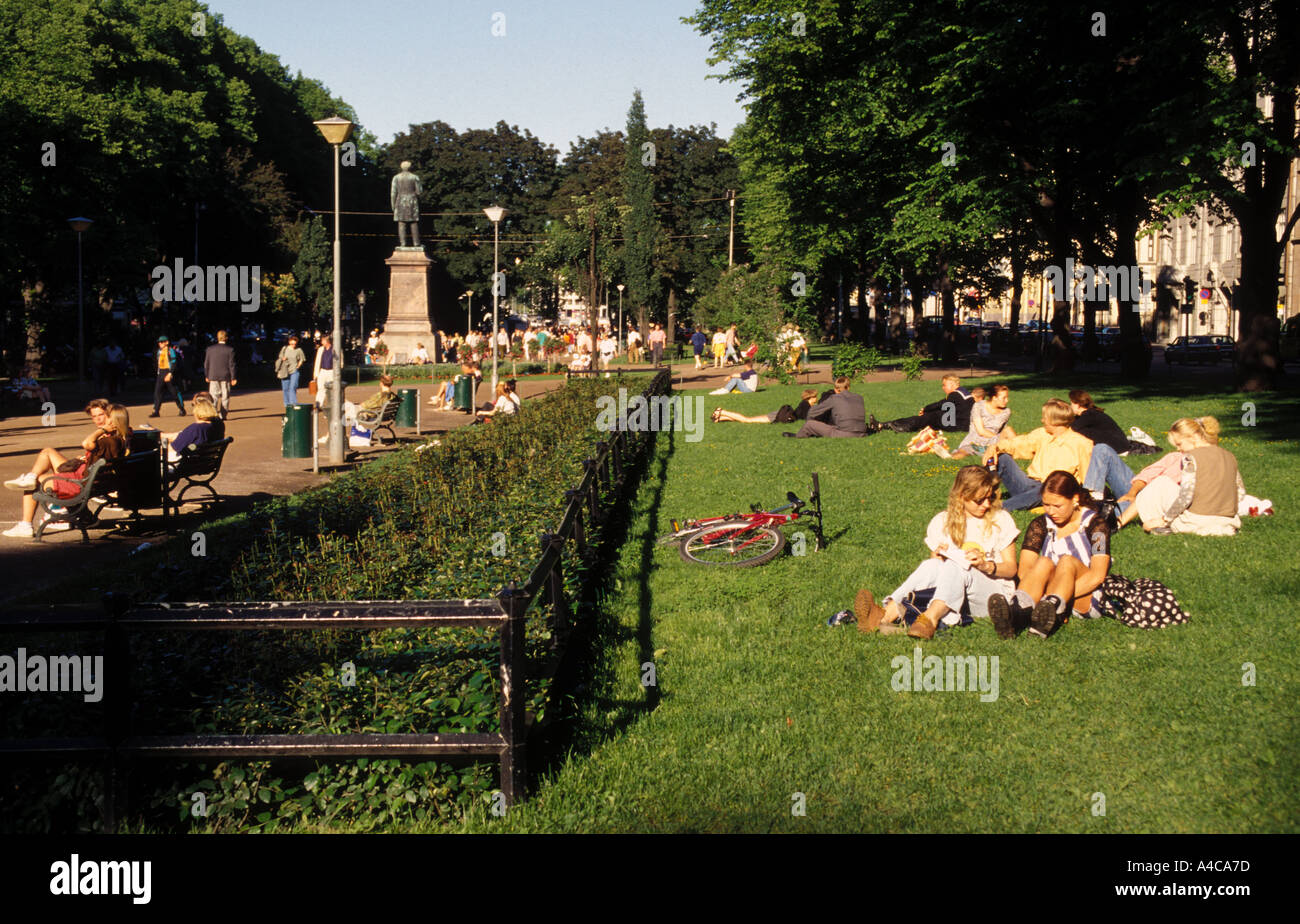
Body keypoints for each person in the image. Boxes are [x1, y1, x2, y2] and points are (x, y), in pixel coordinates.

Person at [851, 466, 1019, 639]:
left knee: (960, 567)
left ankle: (929, 619)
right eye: (979, 500)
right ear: (962, 497)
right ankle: (885, 615)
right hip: (955, 594)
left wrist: (985, 565)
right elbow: (935, 574)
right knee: (932, 565)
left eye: (989, 497)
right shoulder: (942, 522)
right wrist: (938, 557)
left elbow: (1011, 568)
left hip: (993, 598)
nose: (986, 504)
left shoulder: (1000, 519)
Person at [986, 470, 1112, 639]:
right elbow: (1025, 570)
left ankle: (1050, 609)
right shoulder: (1040, 524)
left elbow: (1097, 576)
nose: (1051, 511)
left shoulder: (1097, 525)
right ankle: (1015, 614)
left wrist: (1057, 596)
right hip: (1048, 595)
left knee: (1067, 561)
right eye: (1046, 505)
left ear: (1075, 499)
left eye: (1057, 506)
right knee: (1043, 562)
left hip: (1085, 593)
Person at [4, 401, 130, 538]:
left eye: (103, 415)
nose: (99, 419)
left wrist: (103, 430)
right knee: (48, 452)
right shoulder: (124, 436)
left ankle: (26, 525)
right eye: (95, 416)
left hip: (82, 483)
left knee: (36, 482)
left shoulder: (109, 440)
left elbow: (87, 443)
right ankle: (83, 515)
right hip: (90, 477)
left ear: (113, 419)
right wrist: (87, 459)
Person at [1120, 416, 1244, 536]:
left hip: (1195, 523)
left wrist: (1165, 519)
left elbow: (1186, 496)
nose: (1179, 449)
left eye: (1179, 444)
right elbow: (1240, 492)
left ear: (1194, 437)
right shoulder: (1230, 456)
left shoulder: (1190, 458)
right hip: (1228, 523)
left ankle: (1127, 523)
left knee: (1160, 482)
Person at [982, 398, 1093, 511]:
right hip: (1030, 484)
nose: (1042, 420)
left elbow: (1088, 477)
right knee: (1002, 458)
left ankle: (996, 509)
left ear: (1053, 421)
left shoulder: (1082, 443)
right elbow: (1019, 443)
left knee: (1049, 489)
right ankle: (982, 496)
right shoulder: (1042, 434)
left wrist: (1088, 499)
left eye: (1045, 417)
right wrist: (995, 447)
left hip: (1056, 490)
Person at [882, 374, 974, 433]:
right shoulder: (963, 393)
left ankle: (895, 425)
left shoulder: (955, 394)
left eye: (944, 385)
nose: (943, 388)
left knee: (932, 416)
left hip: (958, 426)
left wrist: (926, 408)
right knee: (931, 416)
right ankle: (893, 424)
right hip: (961, 424)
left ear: (952, 385)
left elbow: (942, 404)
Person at [788, 377, 869, 438]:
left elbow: (813, 411)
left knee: (809, 424)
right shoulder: (859, 397)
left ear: (836, 389)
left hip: (843, 433)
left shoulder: (834, 398)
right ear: (848, 387)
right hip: (862, 432)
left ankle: (799, 436)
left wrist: (810, 420)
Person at [952, 384, 1013, 458]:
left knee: (1009, 430)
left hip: (993, 442)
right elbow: (981, 432)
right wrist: (998, 438)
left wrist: (1001, 440)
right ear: (994, 398)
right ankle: (948, 456)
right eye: (1004, 398)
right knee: (959, 454)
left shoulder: (1006, 412)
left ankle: (1021, 450)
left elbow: (1002, 431)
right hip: (975, 441)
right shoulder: (978, 406)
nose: (1007, 400)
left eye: (1007, 397)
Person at [163, 393, 225, 460]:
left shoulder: (196, 429)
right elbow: (193, 445)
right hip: (205, 462)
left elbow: (172, 448)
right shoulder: (219, 424)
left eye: (194, 406)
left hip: (184, 463)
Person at [713, 389, 820, 424]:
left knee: (749, 420)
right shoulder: (806, 405)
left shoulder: (804, 404)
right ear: (811, 397)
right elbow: (807, 418)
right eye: (815, 397)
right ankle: (722, 411)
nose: (816, 399)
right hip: (780, 416)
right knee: (747, 420)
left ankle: (721, 418)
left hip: (780, 413)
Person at [203, 329, 237, 420]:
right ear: (226, 338)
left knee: (213, 396)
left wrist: (207, 375)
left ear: (217, 337)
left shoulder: (210, 349)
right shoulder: (230, 350)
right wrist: (233, 377)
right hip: (225, 376)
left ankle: (213, 415)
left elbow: (206, 363)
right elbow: (232, 365)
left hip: (213, 375)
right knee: (225, 397)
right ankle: (223, 415)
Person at [150, 334, 187, 418]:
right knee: (157, 392)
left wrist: (170, 373)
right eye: (159, 342)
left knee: (174, 392)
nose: (160, 343)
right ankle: (156, 411)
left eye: (162, 342)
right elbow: (157, 363)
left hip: (169, 372)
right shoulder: (159, 351)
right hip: (161, 373)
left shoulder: (171, 351)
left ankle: (181, 409)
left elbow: (174, 362)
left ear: (167, 342)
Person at [276, 334, 306, 409]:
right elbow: (280, 357)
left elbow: (302, 359)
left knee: (293, 387)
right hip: (285, 370)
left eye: (295, 344)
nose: (293, 345)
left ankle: (293, 403)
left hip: (294, 371)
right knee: (285, 389)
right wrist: (283, 358)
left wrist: (298, 366)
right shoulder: (284, 348)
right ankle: (287, 405)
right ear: (289, 342)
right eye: (292, 343)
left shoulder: (299, 350)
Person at [312, 334, 337, 410]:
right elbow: (317, 362)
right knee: (321, 388)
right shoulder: (321, 349)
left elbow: (340, 361)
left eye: (323, 340)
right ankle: (318, 404)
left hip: (332, 371)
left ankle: (332, 405)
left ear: (327, 341)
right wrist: (315, 374)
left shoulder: (335, 349)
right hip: (322, 371)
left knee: (331, 389)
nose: (321, 342)